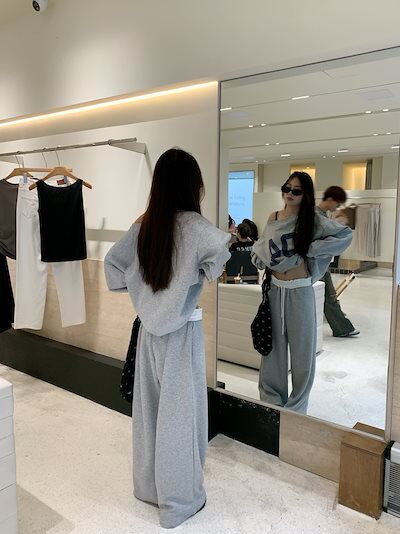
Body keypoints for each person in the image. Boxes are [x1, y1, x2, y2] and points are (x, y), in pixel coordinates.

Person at [104, 148, 231, 529]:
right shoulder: (197, 227)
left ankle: (149, 489)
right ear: (194, 185)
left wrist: (143, 295)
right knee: (180, 419)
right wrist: (196, 277)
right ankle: (179, 503)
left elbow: (113, 268)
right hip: (182, 332)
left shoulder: (145, 225)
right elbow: (219, 254)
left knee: (149, 416)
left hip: (147, 334)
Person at [251, 172, 352, 413]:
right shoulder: (274, 217)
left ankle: (297, 408)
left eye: (296, 190)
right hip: (275, 291)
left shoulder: (313, 220)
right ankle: (273, 403)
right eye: (287, 188)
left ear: (305, 194)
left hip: (300, 291)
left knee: (302, 352)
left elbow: (345, 235)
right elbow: (262, 248)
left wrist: (311, 249)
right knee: (273, 351)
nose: (290, 193)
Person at [317, 186, 360, 338]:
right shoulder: (317, 216)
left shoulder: (322, 216)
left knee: (329, 297)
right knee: (329, 297)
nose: (337, 207)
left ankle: (342, 328)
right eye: (337, 203)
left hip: (321, 263)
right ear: (330, 199)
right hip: (316, 263)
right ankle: (342, 328)